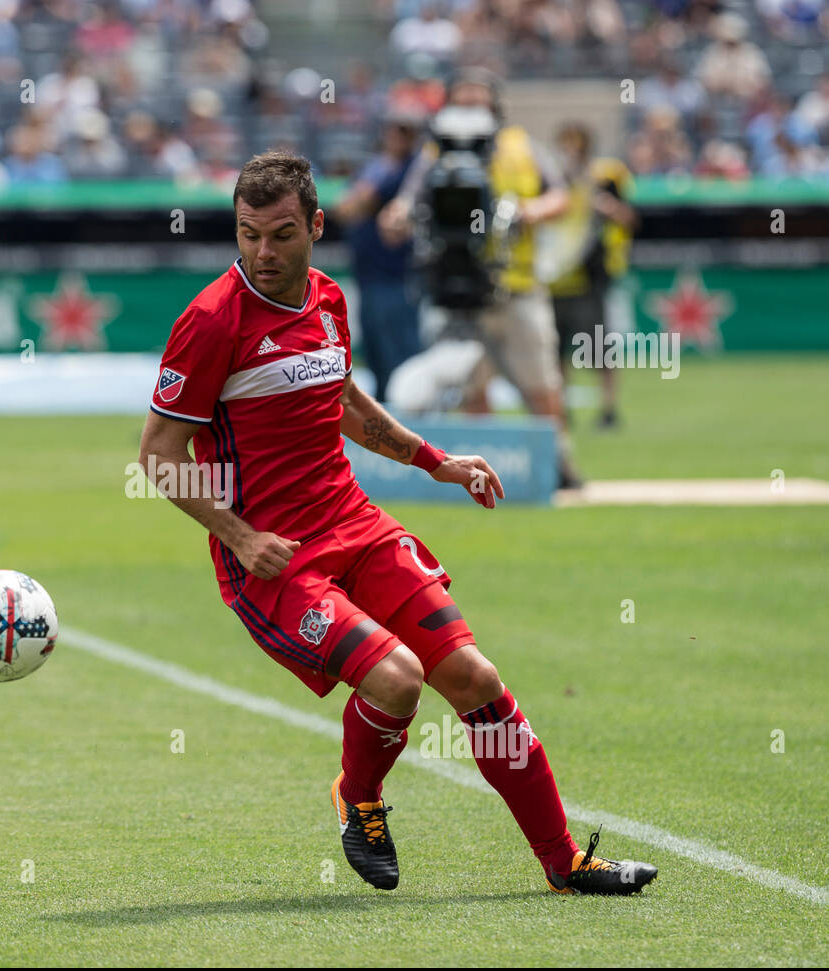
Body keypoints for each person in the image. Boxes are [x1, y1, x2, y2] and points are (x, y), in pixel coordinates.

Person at [138, 149, 657, 897]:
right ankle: (359, 795)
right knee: (397, 679)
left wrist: (433, 461)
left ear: (316, 225)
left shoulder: (325, 300)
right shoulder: (213, 320)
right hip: (276, 561)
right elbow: (158, 451)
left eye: (282, 233)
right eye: (249, 234)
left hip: (355, 524)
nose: (263, 252)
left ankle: (564, 862)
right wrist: (239, 535)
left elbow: (342, 399)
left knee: (475, 678)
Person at [379, 70, 584, 488]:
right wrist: (397, 217)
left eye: (478, 100)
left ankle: (559, 464)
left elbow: (560, 196)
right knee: (471, 387)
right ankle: (488, 471)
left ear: (494, 106)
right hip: (454, 288)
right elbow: (405, 205)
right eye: (462, 99)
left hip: (515, 287)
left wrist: (522, 212)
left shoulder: (521, 146)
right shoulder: (434, 154)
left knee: (541, 386)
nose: (470, 107)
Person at [547, 123, 638, 429]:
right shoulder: (552, 180)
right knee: (556, 351)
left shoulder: (605, 178)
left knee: (599, 349)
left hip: (590, 278)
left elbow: (630, 218)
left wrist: (607, 208)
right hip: (556, 278)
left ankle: (609, 410)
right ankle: (561, 410)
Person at [334, 109, 423, 403]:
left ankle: (410, 430)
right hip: (369, 276)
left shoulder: (412, 170)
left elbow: (359, 203)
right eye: (394, 129)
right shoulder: (377, 166)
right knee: (375, 358)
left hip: (397, 278)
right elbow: (344, 209)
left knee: (401, 359)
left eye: (405, 131)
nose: (397, 137)